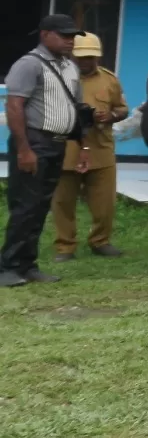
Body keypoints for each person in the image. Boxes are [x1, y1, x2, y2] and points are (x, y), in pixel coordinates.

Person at [3, 15, 88, 287]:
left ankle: (28, 266)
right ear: (45, 35)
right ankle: (8, 267)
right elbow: (14, 106)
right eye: (64, 35)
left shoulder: (70, 68)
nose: (70, 40)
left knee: (40, 207)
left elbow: (77, 110)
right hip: (34, 142)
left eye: (73, 36)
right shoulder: (29, 64)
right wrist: (24, 149)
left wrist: (82, 146)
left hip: (58, 143)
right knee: (25, 206)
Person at [51, 33, 129, 261]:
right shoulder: (59, 78)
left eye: (91, 57)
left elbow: (123, 109)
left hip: (100, 148)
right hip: (67, 149)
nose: (86, 61)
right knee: (63, 202)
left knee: (104, 203)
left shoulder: (109, 79)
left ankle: (100, 241)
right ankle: (65, 246)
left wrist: (111, 115)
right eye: (82, 56)